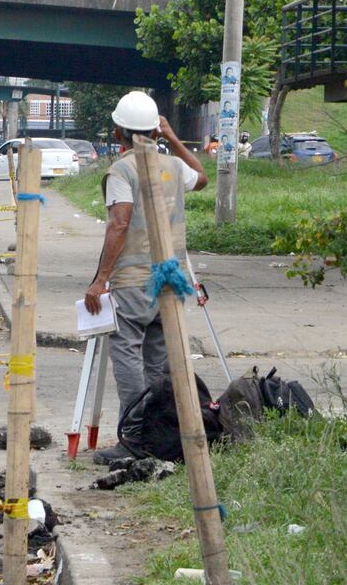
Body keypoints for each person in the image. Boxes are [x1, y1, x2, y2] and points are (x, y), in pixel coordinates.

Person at [83, 91, 208, 465]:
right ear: (155, 129)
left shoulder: (122, 170)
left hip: (134, 283)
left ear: (118, 131)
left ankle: (134, 438)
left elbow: (119, 223)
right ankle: (156, 435)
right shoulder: (172, 166)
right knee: (157, 363)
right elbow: (201, 177)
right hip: (170, 282)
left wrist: (100, 279)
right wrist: (172, 138)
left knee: (126, 356)